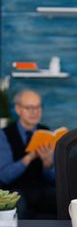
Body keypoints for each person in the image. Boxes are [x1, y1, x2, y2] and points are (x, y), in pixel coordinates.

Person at [0, 90, 56, 218]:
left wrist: (48, 164)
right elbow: (4, 177)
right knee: (19, 203)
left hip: (42, 190)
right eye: (29, 108)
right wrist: (28, 158)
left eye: (38, 107)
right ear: (18, 109)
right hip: (16, 190)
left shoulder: (46, 132)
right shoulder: (4, 134)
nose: (34, 112)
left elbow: (53, 178)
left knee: (63, 199)